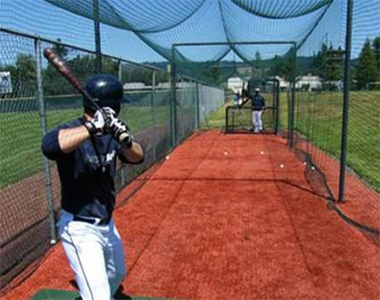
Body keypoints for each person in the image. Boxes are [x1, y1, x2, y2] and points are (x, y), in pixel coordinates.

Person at [42, 74, 144, 300]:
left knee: (116, 275)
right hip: (79, 227)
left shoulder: (113, 132)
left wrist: (125, 139)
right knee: (99, 296)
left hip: (107, 225)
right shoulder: (72, 130)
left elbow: (138, 157)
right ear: (113, 106)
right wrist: (92, 127)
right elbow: (49, 146)